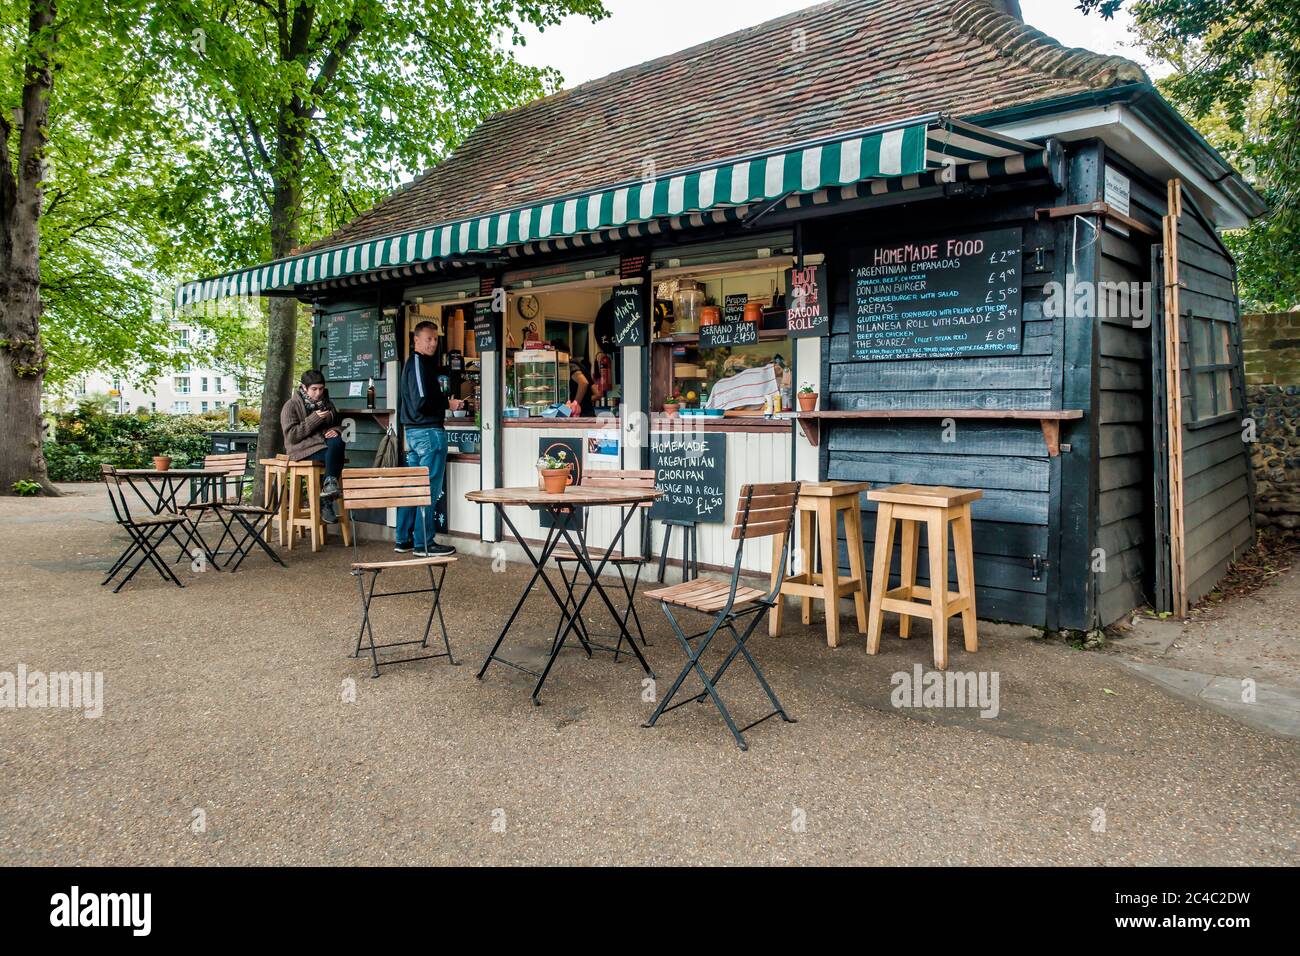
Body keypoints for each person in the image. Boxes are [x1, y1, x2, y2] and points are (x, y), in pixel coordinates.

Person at [397, 321, 463, 556]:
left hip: (414, 433)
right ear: (416, 340)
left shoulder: (421, 364)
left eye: (435, 339)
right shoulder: (417, 362)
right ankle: (423, 542)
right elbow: (422, 401)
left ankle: (403, 538)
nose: (433, 343)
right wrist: (448, 403)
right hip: (428, 433)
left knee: (414, 487)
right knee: (427, 489)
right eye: (428, 339)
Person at [281, 369, 344, 524]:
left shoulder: (327, 403)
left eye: (321, 389)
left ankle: (328, 487)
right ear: (304, 387)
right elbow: (292, 436)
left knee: (338, 442)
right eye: (314, 389)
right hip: (301, 449)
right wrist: (314, 419)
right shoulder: (290, 406)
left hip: (323, 445)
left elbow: (338, 424)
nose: (318, 393)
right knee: (334, 454)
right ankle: (325, 501)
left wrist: (336, 430)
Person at [552, 338, 594, 417]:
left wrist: (574, 405)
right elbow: (598, 393)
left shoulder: (570, 365)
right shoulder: (581, 366)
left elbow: (584, 383)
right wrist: (586, 401)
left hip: (580, 415)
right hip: (588, 412)